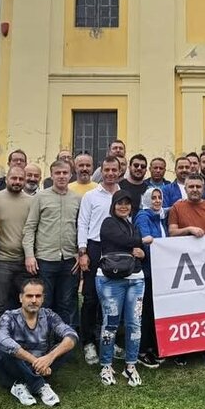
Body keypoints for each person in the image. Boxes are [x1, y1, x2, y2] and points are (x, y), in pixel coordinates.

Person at [168, 173, 205, 366]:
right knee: (186, 307)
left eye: (198, 187)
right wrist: (189, 230)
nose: (194, 190)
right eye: (191, 186)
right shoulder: (177, 207)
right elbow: (172, 232)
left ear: (203, 188)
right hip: (184, 266)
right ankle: (184, 349)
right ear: (185, 188)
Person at [0, 278, 78, 406]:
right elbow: (2, 339)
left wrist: (49, 358)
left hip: (41, 366)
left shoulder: (49, 316)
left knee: (67, 346)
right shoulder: (9, 317)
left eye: (38, 296)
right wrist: (35, 361)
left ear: (43, 298)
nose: (34, 300)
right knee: (4, 348)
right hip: (17, 367)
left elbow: (71, 335)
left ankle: (20, 385)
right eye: (29, 296)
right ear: (21, 298)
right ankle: (39, 385)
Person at [96, 190, 149, 387]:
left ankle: (131, 364)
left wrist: (140, 250)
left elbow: (136, 244)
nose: (123, 206)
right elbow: (127, 241)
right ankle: (106, 365)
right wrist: (137, 244)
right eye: (120, 203)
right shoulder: (108, 222)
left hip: (136, 279)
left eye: (127, 203)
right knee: (110, 323)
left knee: (134, 324)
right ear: (113, 205)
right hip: (111, 280)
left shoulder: (132, 225)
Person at [22, 160, 80, 325]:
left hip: (69, 260)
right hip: (45, 259)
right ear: (52, 175)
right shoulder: (40, 197)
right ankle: (43, 338)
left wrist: (80, 251)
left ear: (70, 175)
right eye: (58, 173)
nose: (61, 176)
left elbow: (80, 227)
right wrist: (29, 255)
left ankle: (64, 338)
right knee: (44, 303)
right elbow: (30, 227)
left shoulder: (77, 198)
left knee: (66, 303)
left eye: (65, 173)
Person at [76, 155, 122, 365]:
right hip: (94, 248)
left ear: (119, 171)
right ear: (101, 171)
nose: (110, 173)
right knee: (91, 298)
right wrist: (83, 252)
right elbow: (82, 223)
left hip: (117, 249)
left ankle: (108, 340)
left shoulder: (123, 195)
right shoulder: (91, 196)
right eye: (107, 170)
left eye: (114, 170)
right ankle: (88, 343)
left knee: (112, 299)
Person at [0, 166, 33, 365]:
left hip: (24, 261)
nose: (17, 182)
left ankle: (20, 345)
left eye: (21, 179)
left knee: (24, 304)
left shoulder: (31, 201)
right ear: (6, 179)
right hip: (1, 260)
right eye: (13, 178)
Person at [134, 186, 167, 368]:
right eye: (153, 197)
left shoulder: (160, 216)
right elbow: (145, 240)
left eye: (159, 197)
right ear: (147, 200)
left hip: (160, 271)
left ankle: (153, 346)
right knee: (146, 311)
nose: (157, 200)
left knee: (156, 310)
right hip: (148, 271)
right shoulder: (143, 216)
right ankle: (142, 350)